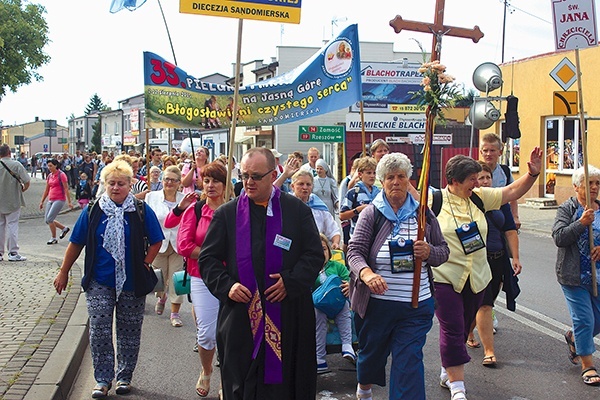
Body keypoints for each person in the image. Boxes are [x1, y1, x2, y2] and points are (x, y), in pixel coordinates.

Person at [198, 147, 324, 400]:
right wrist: (227, 286)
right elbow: (208, 259)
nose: (248, 182)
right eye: (244, 175)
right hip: (241, 314)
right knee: (242, 382)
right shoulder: (227, 214)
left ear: (273, 174)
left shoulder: (296, 211)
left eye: (255, 176)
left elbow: (314, 255)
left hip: (288, 314)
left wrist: (291, 281)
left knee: (287, 383)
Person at [433, 149, 542, 400]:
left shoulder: (479, 198)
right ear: (454, 180)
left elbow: (511, 192)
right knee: (452, 327)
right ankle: (458, 387)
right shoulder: (434, 199)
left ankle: (446, 368)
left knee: (461, 331)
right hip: (445, 276)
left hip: (478, 277)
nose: (477, 182)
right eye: (471, 179)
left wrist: (532, 174)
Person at [53, 160, 164, 398]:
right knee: (99, 331)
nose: (116, 188)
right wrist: (63, 271)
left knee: (129, 331)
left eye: (121, 184)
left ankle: (124, 377)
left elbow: (156, 240)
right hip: (99, 281)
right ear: (104, 184)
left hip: (132, 283)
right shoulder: (94, 209)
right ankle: (102, 379)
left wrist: (145, 263)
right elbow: (76, 243)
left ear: (130, 184)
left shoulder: (140, 210)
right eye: (111, 183)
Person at [347, 152, 449, 400]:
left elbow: (444, 252)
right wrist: (367, 273)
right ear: (382, 181)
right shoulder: (372, 213)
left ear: (408, 180)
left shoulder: (423, 215)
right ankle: (364, 387)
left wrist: (428, 252)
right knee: (371, 355)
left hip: (415, 306)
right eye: (390, 177)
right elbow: (354, 251)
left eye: (401, 176)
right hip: (377, 305)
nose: (395, 182)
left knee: (408, 361)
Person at [166, 162, 228, 397]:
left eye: (216, 181)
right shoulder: (195, 210)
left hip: (231, 277)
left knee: (230, 333)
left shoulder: (233, 209)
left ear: (225, 184)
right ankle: (206, 369)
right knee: (208, 333)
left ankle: (227, 380)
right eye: (207, 180)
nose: (211, 185)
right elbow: (184, 245)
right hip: (201, 277)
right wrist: (214, 253)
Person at [465, 162, 521, 366]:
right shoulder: (468, 201)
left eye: (488, 177)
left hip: (498, 259)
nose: (485, 181)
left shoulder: (500, 202)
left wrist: (515, 257)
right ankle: (489, 350)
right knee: (485, 304)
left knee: (487, 301)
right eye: (480, 178)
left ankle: (469, 330)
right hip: (477, 261)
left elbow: (510, 230)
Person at [552, 165, 600, 386]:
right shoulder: (567, 209)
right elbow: (560, 237)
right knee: (584, 320)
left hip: (597, 276)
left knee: (595, 321)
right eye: (589, 183)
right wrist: (581, 223)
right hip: (573, 275)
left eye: (597, 183)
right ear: (576, 186)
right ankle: (587, 365)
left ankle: (574, 337)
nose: (594, 187)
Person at [145, 166, 185, 327]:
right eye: (166, 179)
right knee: (158, 279)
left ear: (178, 183)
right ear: (162, 180)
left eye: (173, 180)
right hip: (158, 244)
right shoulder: (151, 197)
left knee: (178, 280)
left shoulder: (185, 199)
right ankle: (161, 297)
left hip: (178, 245)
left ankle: (175, 313)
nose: (169, 182)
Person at [314, 234, 355, 374]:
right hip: (319, 305)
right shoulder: (310, 268)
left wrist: (348, 286)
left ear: (329, 252)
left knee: (344, 311)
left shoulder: (336, 266)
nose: (322, 253)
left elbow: (349, 279)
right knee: (318, 318)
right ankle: (319, 358)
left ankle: (347, 346)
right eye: (318, 250)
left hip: (337, 302)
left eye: (324, 249)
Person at [290, 169, 341, 249]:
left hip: (314, 249)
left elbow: (333, 229)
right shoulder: (287, 204)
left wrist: (335, 242)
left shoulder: (318, 206)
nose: (305, 187)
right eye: (301, 184)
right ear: (292, 186)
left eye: (308, 184)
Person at [480, 133, 520, 229]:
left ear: (500, 152)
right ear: (481, 152)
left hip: (502, 214)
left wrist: (515, 216)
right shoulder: (473, 171)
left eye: (492, 150)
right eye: (485, 151)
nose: (488, 154)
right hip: (481, 215)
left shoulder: (505, 171)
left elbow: (513, 195)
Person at [0, 144, 31, 261]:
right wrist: (23, 189)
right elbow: (27, 181)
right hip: (13, 200)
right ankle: (13, 253)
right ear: (9, 152)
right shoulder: (16, 165)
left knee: (0, 226)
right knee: (12, 225)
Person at [340, 157, 380, 238]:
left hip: (376, 236)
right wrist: (358, 210)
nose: (372, 176)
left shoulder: (379, 193)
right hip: (358, 235)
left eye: (374, 173)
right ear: (360, 174)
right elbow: (342, 216)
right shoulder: (354, 192)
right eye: (368, 173)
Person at [39, 158, 73, 244]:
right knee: (47, 220)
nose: (49, 167)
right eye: (48, 166)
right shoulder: (50, 176)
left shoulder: (61, 175)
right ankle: (64, 228)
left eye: (51, 166)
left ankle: (53, 237)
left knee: (50, 218)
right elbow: (46, 190)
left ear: (56, 165)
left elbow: (66, 188)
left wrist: (69, 202)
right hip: (51, 199)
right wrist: (42, 201)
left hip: (59, 199)